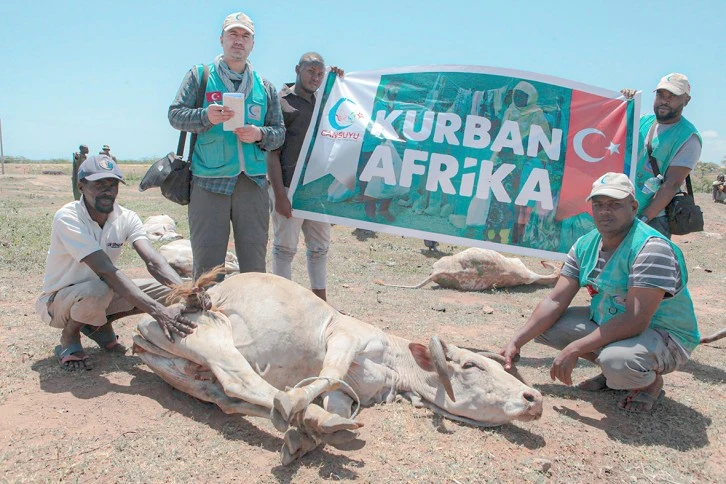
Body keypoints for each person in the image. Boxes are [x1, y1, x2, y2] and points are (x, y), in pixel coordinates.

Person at [500, 173, 699, 413]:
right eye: (599, 205)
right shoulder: (585, 244)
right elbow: (555, 300)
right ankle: (614, 374)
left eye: (615, 204)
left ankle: (648, 382)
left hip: (665, 334)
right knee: (546, 327)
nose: (606, 211)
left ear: (633, 207)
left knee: (617, 361)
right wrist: (516, 341)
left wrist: (574, 348)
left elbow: (635, 321)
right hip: (616, 321)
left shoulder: (651, 248)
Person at [35, 155, 197, 371]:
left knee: (167, 292)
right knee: (100, 289)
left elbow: (153, 260)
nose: (107, 190)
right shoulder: (68, 217)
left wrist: (187, 292)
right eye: (99, 184)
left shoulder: (126, 217)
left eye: (112, 184)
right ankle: (70, 336)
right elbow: (106, 270)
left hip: (101, 291)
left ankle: (98, 325)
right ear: (81, 186)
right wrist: (157, 311)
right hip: (59, 302)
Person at [168, 11, 285, 280]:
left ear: (253, 44)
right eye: (233, 33)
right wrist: (204, 116)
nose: (238, 40)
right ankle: (207, 321)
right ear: (221, 39)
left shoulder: (264, 87)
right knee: (208, 270)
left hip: (252, 184)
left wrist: (259, 134)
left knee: (254, 269)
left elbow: (279, 134)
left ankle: (250, 320)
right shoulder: (200, 76)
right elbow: (175, 115)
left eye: (245, 36)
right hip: (209, 182)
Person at [267, 53, 342, 301]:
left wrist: (339, 80)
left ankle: (321, 302)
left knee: (320, 247)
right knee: (284, 249)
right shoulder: (282, 103)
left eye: (320, 74)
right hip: (289, 187)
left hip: (317, 190)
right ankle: (284, 303)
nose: (315, 78)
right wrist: (280, 195)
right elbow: (272, 153)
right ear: (298, 69)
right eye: (311, 71)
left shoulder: (324, 101)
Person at [622, 73, 702, 238]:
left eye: (672, 96)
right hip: (620, 210)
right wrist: (624, 103)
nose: (664, 100)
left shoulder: (688, 137)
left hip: (652, 219)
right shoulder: (643, 120)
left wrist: (642, 220)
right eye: (661, 95)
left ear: (686, 101)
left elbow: (671, 184)